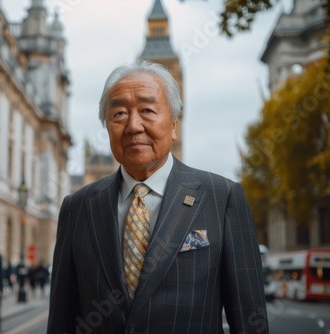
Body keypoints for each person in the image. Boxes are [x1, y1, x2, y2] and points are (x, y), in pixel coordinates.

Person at [47, 61, 269, 333]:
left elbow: (249, 322)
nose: (133, 125)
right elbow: (61, 321)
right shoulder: (77, 207)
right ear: (106, 126)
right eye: (118, 114)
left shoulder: (223, 198)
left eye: (148, 110)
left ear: (174, 124)